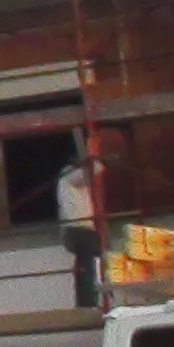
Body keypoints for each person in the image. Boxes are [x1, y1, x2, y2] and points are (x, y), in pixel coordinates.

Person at [57, 129, 122, 311]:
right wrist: (96, 154)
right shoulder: (69, 175)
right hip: (80, 228)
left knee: (89, 263)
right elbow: (94, 170)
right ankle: (91, 301)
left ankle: (94, 298)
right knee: (93, 262)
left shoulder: (70, 177)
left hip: (78, 229)